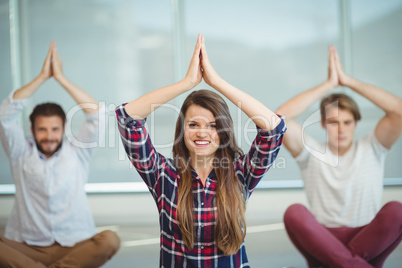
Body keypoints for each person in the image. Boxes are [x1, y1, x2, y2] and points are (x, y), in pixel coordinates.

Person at [116, 34, 286, 267]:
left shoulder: (240, 173)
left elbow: (273, 129)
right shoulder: (163, 174)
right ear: (182, 130)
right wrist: (187, 83)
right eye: (193, 124)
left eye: (213, 125)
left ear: (224, 131)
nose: (202, 133)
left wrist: (216, 82)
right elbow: (128, 119)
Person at [276, 45, 402, 268]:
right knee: (294, 213)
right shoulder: (310, 152)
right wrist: (327, 85)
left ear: (356, 123)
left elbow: (398, 111)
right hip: (324, 242)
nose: (341, 129)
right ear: (323, 124)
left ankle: (345, 263)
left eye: (347, 122)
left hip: (368, 242)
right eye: (334, 123)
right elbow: (277, 118)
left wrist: (349, 81)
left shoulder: (372, 147)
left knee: (397, 210)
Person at [0, 42, 120, 268]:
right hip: (27, 247)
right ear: (32, 130)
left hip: (75, 247)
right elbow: (5, 115)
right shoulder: (19, 152)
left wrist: (61, 78)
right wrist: (42, 78)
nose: (49, 136)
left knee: (110, 240)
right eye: (42, 129)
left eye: (54, 129)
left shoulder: (78, 151)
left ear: (64, 129)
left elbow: (99, 115)